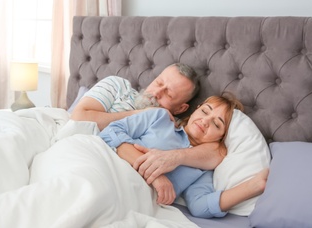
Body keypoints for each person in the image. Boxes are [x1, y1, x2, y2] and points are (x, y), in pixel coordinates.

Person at [99, 93, 268, 218]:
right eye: (205, 111)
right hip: (105, 167)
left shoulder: (201, 169)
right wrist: (155, 175)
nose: (205, 121)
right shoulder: (159, 118)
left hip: (129, 197)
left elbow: (200, 206)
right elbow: (110, 132)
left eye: (216, 124)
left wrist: (252, 187)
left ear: (221, 137)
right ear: (196, 110)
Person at [70, 63, 199, 131]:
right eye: (158, 83)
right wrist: (141, 114)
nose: (156, 92)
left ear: (180, 109)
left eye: (169, 94)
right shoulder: (118, 85)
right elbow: (79, 118)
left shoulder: (173, 127)